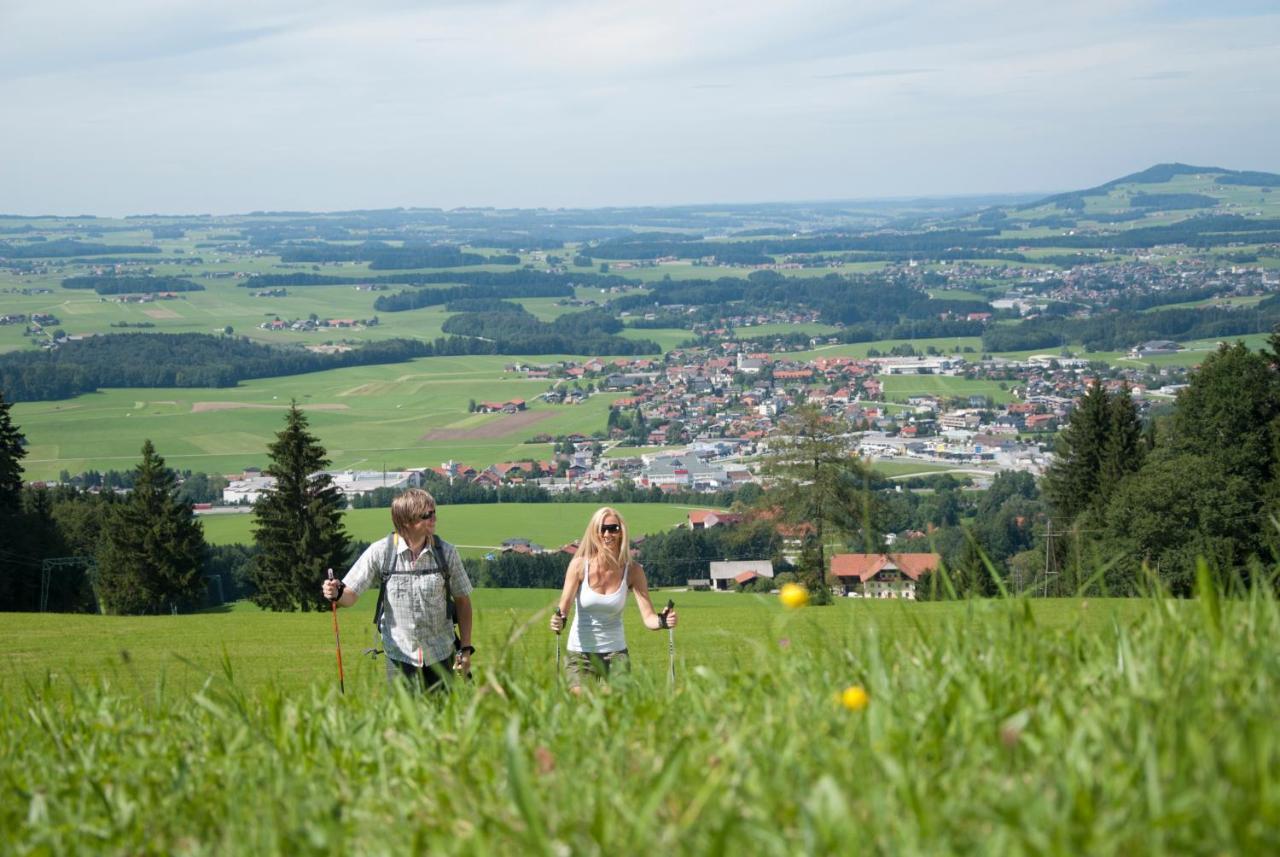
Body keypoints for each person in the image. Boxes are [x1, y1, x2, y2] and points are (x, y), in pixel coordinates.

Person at [322, 488, 474, 692]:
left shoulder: (447, 553)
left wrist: (465, 650)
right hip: (399, 657)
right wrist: (336, 592)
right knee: (403, 720)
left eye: (434, 512)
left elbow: (463, 602)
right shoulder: (381, 552)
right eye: (426, 515)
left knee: (442, 721)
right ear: (406, 522)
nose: (433, 518)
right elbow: (349, 596)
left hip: (441, 654)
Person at [549, 506, 677, 692]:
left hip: (616, 653)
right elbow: (563, 610)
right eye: (602, 529)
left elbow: (648, 617)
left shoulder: (633, 570)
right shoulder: (578, 566)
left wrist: (663, 621)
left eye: (613, 528)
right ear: (594, 533)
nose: (607, 534)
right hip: (580, 652)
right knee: (580, 702)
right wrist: (557, 621)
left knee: (616, 705)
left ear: (621, 532)